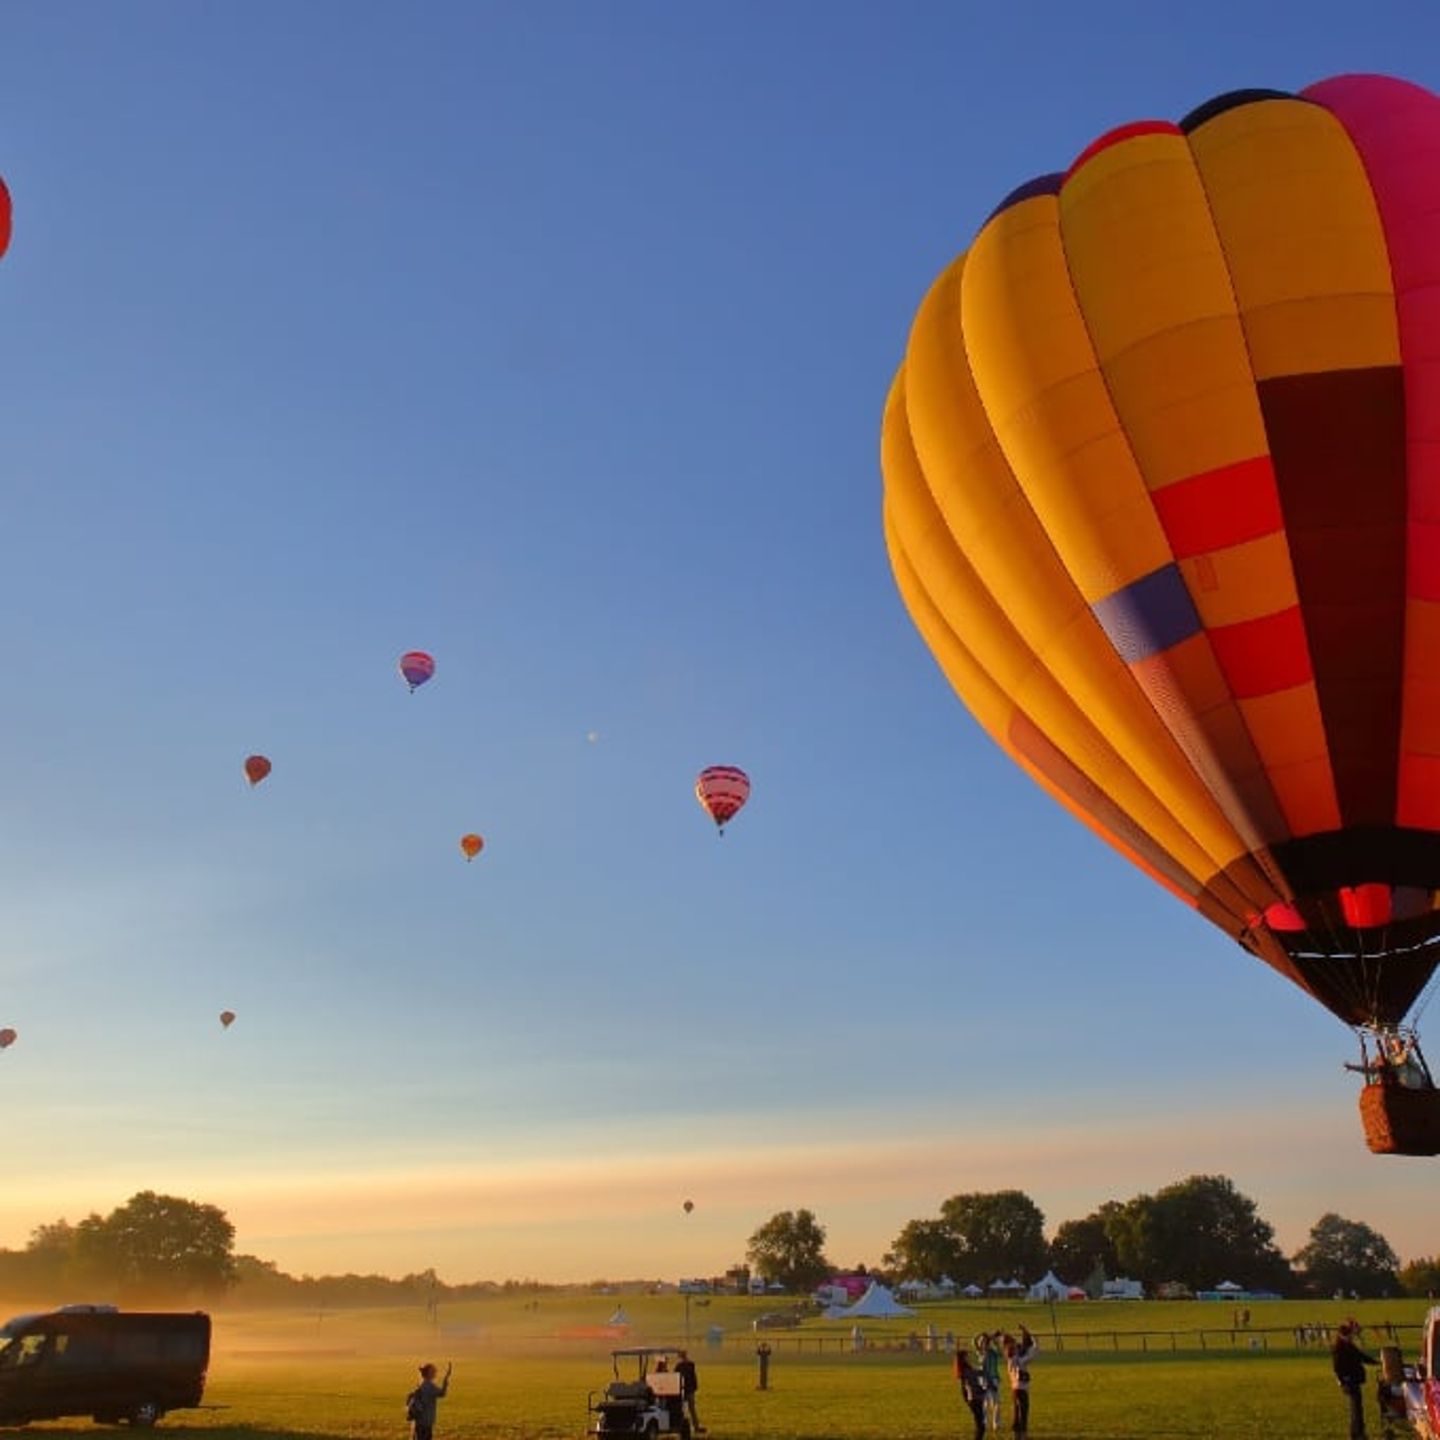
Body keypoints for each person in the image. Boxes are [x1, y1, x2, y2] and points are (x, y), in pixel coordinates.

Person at [1332, 1321, 1377, 1440]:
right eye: (1347, 1336)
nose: (1350, 1337)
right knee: (1356, 1408)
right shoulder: (1339, 1348)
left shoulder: (1348, 1345)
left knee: (1357, 1407)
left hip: (1354, 1380)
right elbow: (1337, 1367)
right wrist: (1343, 1380)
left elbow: (1361, 1356)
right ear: (1342, 1335)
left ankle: (1357, 1432)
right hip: (1349, 1381)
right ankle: (1357, 1434)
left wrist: (1376, 1362)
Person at [1003, 1326, 1037, 1435]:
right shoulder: (1020, 1361)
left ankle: (1016, 1431)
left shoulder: (1009, 1361)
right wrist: (1030, 1335)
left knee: (1016, 1411)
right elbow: (1034, 1351)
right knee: (1024, 1411)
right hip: (1022, 1389)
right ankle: (1023, 1432)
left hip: (1014, 1389)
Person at [408, 1362, 451, 1440]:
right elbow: (442, 1394)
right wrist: (446, 1379)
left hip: (419, 1420)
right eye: (433, 1371)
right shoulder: (429, 1385)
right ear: (428, 1373)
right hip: (425, 1421)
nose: (435, 1373)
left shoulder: (421, 1383)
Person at [953, 1345, 987, 1438]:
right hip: (975, 1399)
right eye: (966, 1356)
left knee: (980, 1425)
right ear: (963, 1358)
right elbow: (977, 1377)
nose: (968, 1357)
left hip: (974, 1399)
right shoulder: (966, 1371)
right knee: (981, 1426)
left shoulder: (965, 1370)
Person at [974, 1331, 1001, 1432]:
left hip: (994, 1379)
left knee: (996, 1402)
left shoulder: (993, 1352)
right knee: (984, 1403)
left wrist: (993, 1340)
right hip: (983, 1380)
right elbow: (974, 1341)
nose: (982, 1343)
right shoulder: (980, 1352)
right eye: (981, 1342)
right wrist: (983, 1334)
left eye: (984, 1342)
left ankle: (996, 1423)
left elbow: (1000, 1352)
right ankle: (984, 1422)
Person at [675, 1349, 705, 1434]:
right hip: (690, 1389)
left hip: (683, 1390)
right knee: (692, 1409)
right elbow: (693, 1377)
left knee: (681, 1409)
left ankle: (681, 1427)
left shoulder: (679, 1366)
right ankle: (696, 1427)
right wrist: (695, 1387)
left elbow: (676, 1377)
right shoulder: (691, 1364)